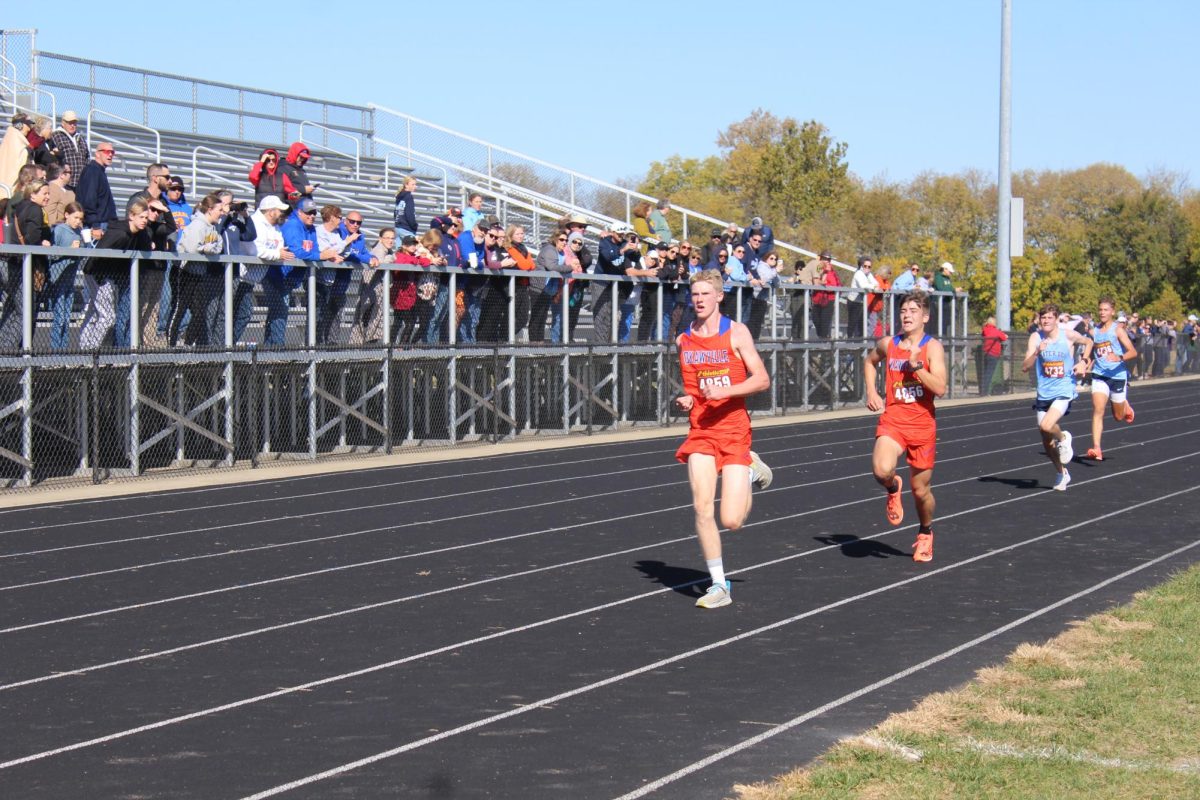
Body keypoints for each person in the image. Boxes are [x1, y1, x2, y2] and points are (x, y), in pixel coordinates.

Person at [673, 268, 773, 609]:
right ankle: (719, 585)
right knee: (702, 507)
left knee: (732, 520)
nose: (698, 300)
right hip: (701, 430)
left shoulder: (737, 333)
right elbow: (692, 385)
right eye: (694, 295)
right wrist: (688, 398)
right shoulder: (684, 340)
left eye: (705, 294)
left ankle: (749, 470)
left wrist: (725, 391)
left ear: (719, 297)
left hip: (733, 430)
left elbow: (761, 380)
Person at [863, 290, 948, 561]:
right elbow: (869, 362)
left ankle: (925, 532)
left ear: (925, 316)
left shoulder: (932, 347)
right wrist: (872, 392)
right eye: (903, 311)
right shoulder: (889, 343)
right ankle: (891, 487)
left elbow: (941, 388)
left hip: (922, 426)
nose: (907, 315)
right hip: (894, 421)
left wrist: (917, 368)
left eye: (913, 311)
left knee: (921, 491)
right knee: (881, 469)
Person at [1022, 302, 1093, 490]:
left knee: (1046, 425)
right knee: (1046, 438)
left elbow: (1089, 342)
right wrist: (1037, 352)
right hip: (1044, 392)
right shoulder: (1035, 338)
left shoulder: (1067, 336)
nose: (1045, 321)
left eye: (1049, 318)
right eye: (1043, 318)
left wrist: (1084, 362)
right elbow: (1025, 367)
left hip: (1064, 390)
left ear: (1056, 319)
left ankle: (1063, 438)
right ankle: (1062, 474)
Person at [81, 200, 152, 349]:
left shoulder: (138, 233)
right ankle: (91, 349)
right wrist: (100, 279)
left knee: (96, 313)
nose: (144, 220)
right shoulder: (119, 233)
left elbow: (146, 249)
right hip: (97, 274)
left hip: (110, 276)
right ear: (131, 216)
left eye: (146, 217)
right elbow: (99, 254)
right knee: (107, 317)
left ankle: (85, 347)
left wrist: (144, 233)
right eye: (141, 217)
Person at [1086, 296, 1137, 460]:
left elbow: (1133, 351)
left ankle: (1125, 407)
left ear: (1112, 312)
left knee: (1118, 417)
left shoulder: (1117, 330)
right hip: (1100, 375)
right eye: (1100, 309)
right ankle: (1096, 448)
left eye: (1106, 310)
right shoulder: (1094, 331)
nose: (1102, 312)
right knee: (1098, 410)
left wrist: (1119, 357)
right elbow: (1092, 349)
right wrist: (1086, 361)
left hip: (1117, 375)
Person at [249, 195, 295, 345]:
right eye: (279, 210)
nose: (281, 213)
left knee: (244, 314)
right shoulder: (255, 223)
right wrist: (277, 254)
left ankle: (272, 348)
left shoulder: (274, 226)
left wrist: (277, 253)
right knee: (240, 315)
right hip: (245, 274)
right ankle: (227, 351)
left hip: (258, 273)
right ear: (270, 211)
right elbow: (257, 250)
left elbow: (279, 247)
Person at [47, 201, 86, 350]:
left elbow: (81, 253)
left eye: (80, 219)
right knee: (60, 317)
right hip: (58, 277)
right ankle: (55, 351)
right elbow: (52, 252)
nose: (78, 221)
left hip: (70, 278)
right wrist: (69, 249)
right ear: (66, 215)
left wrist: (84, 243)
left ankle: (63, 351)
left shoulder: (78, 232)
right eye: (75, 217)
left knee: (67, 316)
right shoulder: (60, 230)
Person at [349, 227, 396, 345]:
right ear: (380, 239)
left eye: (392, 238)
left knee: (375, 316)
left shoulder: (388, 251)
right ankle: (358, 344)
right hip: (371, 287)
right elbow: (380, 262)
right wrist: (392, 258)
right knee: (365, 316)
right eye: (387, 238)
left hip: (379, 288)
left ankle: (368, 343)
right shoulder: (379, 250)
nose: (390, 240)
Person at [75, 141, 117, 240]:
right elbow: (89, 201)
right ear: (97, 153)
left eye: (112, 152)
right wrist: (95, 225)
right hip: (96, 226)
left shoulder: (99, 172)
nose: (110, 155)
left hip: (103, 224)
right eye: (107, 152)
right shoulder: (92, 171)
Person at [49, 111, 88, 191]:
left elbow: (87, 158)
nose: (72, 125)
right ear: (63, 123)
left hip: (81, 183)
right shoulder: (56, 136)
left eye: (74, 123)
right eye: (70, 123)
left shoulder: (80, 138)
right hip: (64, 183)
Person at [846, 256, 879, 338]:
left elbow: (876, 283)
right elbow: (863, 285)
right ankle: (849, 341)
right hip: (853, 301)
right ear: (861, 266)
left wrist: (874, 286)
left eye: (869, 267)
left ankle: (859, 342)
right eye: (865, 266)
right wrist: (873, 287)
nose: (867, 268)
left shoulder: (869, 274)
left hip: (861, 302)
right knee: (852, 322)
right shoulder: (858, 273)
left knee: (862, 323)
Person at [979, 315, 1008, 396]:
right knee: (989, 373)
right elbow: (1004, 338)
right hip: (994, 354)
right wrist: (1004, 335)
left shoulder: (985, 330)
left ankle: (983, 391)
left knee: (986, 372)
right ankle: (984, 392)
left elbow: (983, 335)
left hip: (986, 353)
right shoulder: (995, 331)